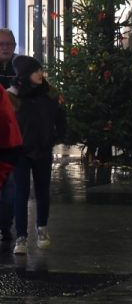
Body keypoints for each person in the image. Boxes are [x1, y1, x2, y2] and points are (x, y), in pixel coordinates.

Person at [8, 55, 66, 256]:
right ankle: (21, 237)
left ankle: (42, 229)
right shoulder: (12, 96)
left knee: (43, 191)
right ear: (25, 74)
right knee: (20, 193)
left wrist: (56, 137)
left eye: (40, 70)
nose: (41, 74)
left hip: (43, 149)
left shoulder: (50, 93)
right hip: (21, 152)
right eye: (36, 71)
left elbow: (60, 116)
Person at [0, 29, 18, 244]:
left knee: (11, 186)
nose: (5, 47)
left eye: (8, 44)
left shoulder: (20, 68)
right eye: (1, 44)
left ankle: (5, 225)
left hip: (12, 140)